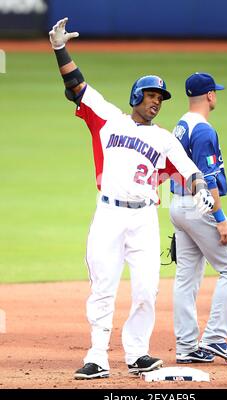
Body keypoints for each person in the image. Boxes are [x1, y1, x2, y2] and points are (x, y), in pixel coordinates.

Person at [48, 19, 214, 380]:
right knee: (104, 287)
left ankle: (137, 352)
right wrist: (60, 48)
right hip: (108, 215)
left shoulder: (165, 139)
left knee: (146, 290)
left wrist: (202, 192)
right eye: (151, 96)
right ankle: (97, 356)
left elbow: (190, 171)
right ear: (137, 97)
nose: (156, 103)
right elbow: (76, 87)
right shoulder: (108, 119)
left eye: (160, 99)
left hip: (143, 221)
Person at [170, 72, 227, 365]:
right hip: (200, 206)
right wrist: (221, 218)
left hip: (179, 204)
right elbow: (209, 178)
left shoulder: (181, 124)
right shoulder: (203, 130)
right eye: (216, 92)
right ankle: (215, 338)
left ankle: (187, 347)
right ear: (210, 96)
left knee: (186, 278)